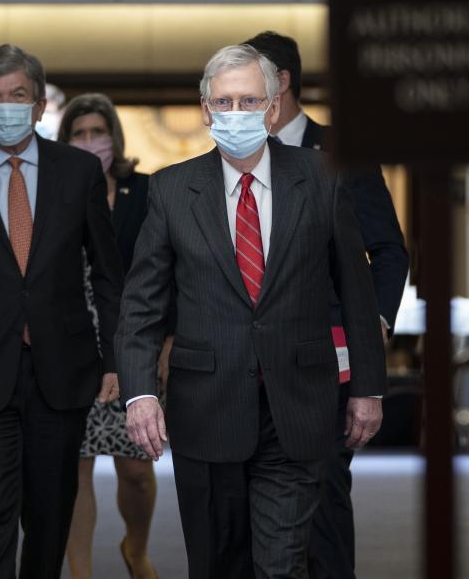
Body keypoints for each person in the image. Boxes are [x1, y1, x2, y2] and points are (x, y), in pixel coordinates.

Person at [117, 44, 387, 579]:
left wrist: (368, 387)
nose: (234, 114)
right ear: (204, 109)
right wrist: (141, 392)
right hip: (206, 408)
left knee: (281, 563)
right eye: (223, 101)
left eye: (248, 101)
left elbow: (356, 292)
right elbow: (142, 303)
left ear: (271, 107)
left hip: (298, 403)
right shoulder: (172, 189)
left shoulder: (320, 176)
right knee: (217, 562)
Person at [0, 44, 124, 578]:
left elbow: (107, 273)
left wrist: (116, 358)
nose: (4, 106)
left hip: (62, 369)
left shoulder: (78, 172)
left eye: (17, 95)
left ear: (38, 107)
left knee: (50, 513)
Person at [244, 30, 409, 579]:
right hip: (249, 365)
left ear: (282, 82)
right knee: (252, 507)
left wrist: (375, 326)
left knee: (324, 499)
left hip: (330, 361)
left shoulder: (343, 153)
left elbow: (386, 248)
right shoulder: (236, 153)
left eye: (252, 83)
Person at [58, 94, 161, 579]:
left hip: (133, 340)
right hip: (70, 346)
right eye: (78, 133)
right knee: (74, 471)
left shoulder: (145, 191)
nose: (88, 142)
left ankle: (135, 549)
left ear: (113, 137)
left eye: (96, 132)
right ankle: (80, 573)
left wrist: (167, 342)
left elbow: (169, 270)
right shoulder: (54, 190)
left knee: (137, 471)